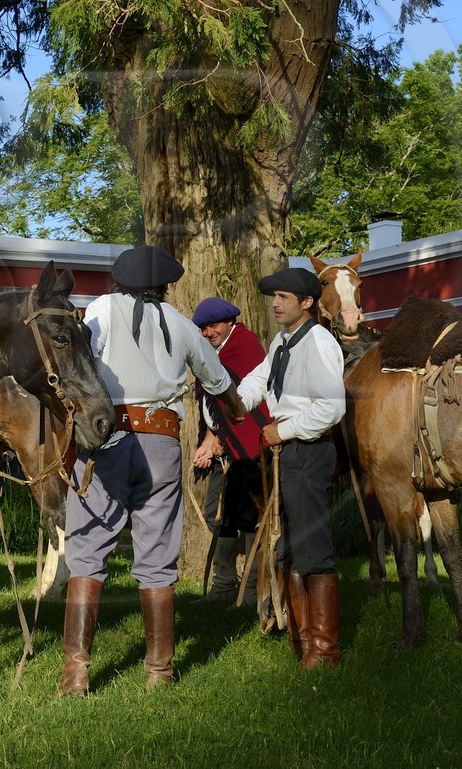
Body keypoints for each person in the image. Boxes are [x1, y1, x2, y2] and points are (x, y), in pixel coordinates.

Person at [57, 245, 242, 697]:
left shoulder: (101, 308)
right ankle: (159, 674)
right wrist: (239, 414)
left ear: (120, 279)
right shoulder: (180, 322)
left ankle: (76, 674)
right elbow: (220, 384)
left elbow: (76, 362)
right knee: (157, 559)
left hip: (108, 439)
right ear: (163, 286)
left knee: (87, 550)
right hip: (162, 443)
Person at [235, 266, 348, 668]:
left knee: (312, 548)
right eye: (274, 296)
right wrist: (234, 401)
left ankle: (326, 649)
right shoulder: (281, 342)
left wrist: (285, 431)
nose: (275, 303)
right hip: (287, 452)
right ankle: (302, 641)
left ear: (307, 303)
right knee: (290, 546)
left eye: (283, 297)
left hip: (309, 450)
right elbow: (259, 379)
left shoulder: (317, 342)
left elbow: (332, 407)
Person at [189, 296, 271, 604]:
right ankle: (224, 584)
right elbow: (215, 404)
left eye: (214, 326)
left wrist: (223, 437)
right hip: (226, 449)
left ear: (229, 323)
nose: (208, 333)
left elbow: (248, 404)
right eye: (203, 328)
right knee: (218, 515)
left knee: (252, 516)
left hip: (251, 450)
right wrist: (211, 438)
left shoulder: (245, 346)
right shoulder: (211, 353)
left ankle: (252, 589)